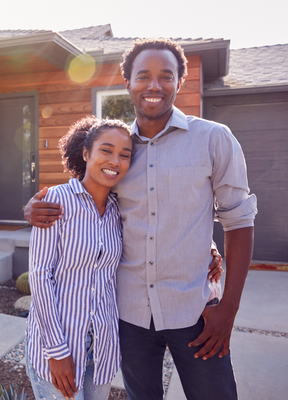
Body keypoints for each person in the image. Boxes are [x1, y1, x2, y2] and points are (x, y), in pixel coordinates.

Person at [24, 38, 256, 400]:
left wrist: (228, 306)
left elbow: (239, 221)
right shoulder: (117, 149)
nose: (154, 85)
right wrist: (32, 209)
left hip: (195, 313)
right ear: (127, 81)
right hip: (129, 316)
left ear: (180, 82)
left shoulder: (213, 139)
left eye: (166, 76)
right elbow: (87, 199)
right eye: (143, 76)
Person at [26, 116, 133, 400]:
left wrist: (209, 249)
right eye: (106, 150)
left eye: (125, 155)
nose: (115, 161)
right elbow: (39, 277)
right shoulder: (55, 203)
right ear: (86, 154)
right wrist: (57, 351)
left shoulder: (118, 212)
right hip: (59, 347)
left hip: (103, 349)